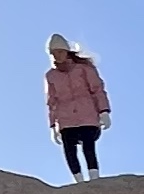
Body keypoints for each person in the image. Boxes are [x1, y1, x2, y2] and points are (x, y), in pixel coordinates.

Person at [44, 33, 110, 180]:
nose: (57, 56)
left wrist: (104, 111)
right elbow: (52, 102)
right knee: (69, 149)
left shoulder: (84, 69)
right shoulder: (51, 76)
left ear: (66, 51)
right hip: (65, 119)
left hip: (87, 114)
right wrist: (53, 125)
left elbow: (97, 90)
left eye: (59, 52)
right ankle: (79, 181)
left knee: (88, 145)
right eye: (53, 53)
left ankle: (94, 178)